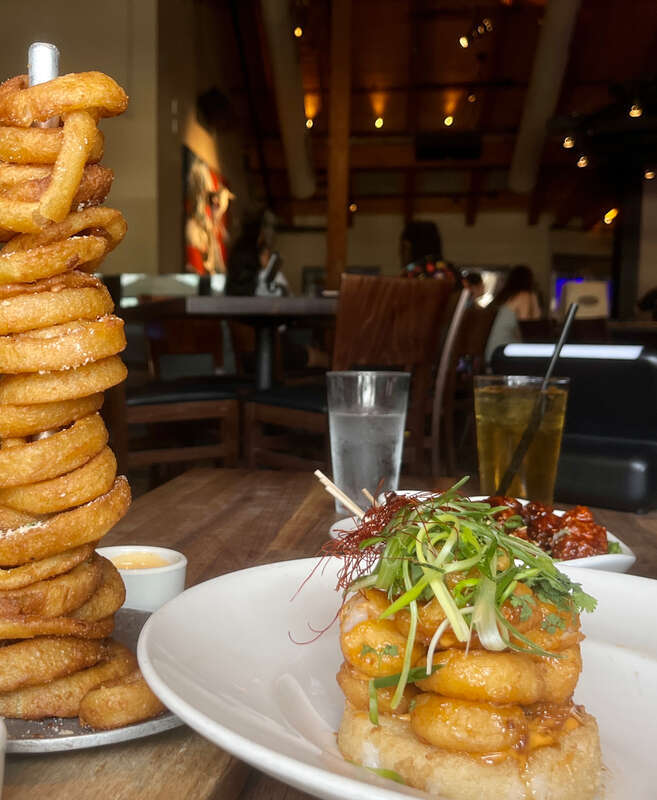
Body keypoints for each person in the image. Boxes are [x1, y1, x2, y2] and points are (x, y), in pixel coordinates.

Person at [484, 266, 542, 364]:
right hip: (504, 354)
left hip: (491, 352)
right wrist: (534, 298)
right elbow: (528, 330)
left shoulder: (504, 297)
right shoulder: (525, 296)